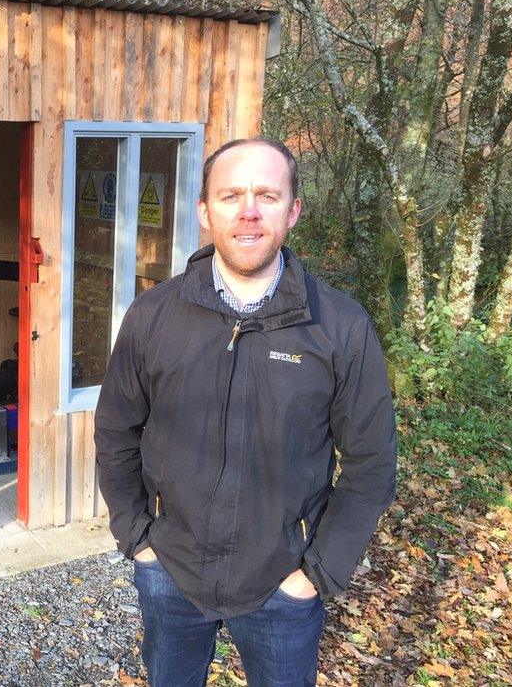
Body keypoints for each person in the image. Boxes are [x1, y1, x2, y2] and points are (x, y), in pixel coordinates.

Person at [94, 137, 397, 687]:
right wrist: (137, 538)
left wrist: (316, 571)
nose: (249, 212)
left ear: (294, 210)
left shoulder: (340, 328)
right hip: (171, 569)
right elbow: (116, 430)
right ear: (206, 212)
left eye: (267, 195)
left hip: (283, 580)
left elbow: (372, 466)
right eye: (231, 195)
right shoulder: (153, 317)